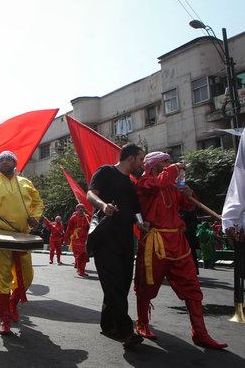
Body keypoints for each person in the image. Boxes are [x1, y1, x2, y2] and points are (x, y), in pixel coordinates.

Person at [134, 151, 227, 349]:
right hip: (155, 242)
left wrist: (188, 193)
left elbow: (187, 206)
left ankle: (200, 333)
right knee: (146, 286)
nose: (170, 164)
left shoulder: (171, 183)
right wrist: (175, 169)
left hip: (178, 242)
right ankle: (142, 322)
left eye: (169, 162)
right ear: (154, 165)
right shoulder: (145, 182)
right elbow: (158, 183)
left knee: (192, 287)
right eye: (165, 162)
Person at [0, 151, 44, 335]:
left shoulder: (26, 183)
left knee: (26, 278)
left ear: (15, 162)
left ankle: (13, 304)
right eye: (1, 159)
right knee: (1, 279)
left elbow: (38, 203)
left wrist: (34, 218)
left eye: (9, 158)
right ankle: (4, 319)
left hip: (22, 239)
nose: (5, 161)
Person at [86, 143, 146, 348]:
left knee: (121, 283)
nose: (142, 164)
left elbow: (137, 209)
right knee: (112, 282)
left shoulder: (131, 183)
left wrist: (140, 222)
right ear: (130, 158)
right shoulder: (106, 171)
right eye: (141, 159)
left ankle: (107, 323)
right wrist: (103, 205)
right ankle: (126, 331)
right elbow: (90, 194)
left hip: (126, 239)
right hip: (106, 236)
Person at [64, 204, 91, 276]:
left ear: (84, 209)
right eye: (79, 208)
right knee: (79, 255)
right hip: (76, 238)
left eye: (82, 208)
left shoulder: (87, 217)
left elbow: (90, 228)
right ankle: (80, 270)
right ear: (77, 209)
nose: (81, 209)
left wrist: (91, 225)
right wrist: (65, 240)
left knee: (85, 255)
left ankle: (83, 270)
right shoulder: (73, 218)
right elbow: (68, 229)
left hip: (85, 238)